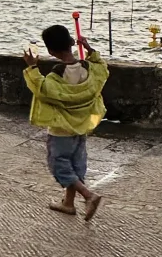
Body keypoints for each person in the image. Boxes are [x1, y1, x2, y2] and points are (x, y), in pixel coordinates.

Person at [23, 24, 109, 220]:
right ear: (71, 43)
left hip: (62, 129)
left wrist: (32, 66)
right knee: (76, 164)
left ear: (50, 50)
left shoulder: (57, 75)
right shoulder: (89, 69)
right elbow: (103, 69)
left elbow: (42, 89)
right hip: (82, 126)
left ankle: (89, 196)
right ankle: (68, 204)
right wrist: (89, 49)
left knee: (59, 164)